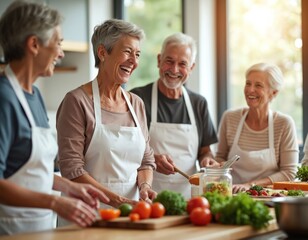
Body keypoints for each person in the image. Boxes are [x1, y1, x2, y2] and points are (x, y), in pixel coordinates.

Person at [0, 0, 109, 236]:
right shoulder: (4, 99)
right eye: (58, 43)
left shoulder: (34, 95)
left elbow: (29, 173)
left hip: (38, 229)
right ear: (34, 44)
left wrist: (70, 188)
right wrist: (55, 202)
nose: (61, 53)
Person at [56, 19, 157, 210]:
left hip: (131, 213)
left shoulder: (136, 104)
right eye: (127, 52)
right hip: (85, 212)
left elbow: (146, 161)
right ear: (102, 52)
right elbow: (72, 169)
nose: (134, 62)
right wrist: (117, 201)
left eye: (137, 54)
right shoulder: (76, 101)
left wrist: (145, 186)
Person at [130, 32, 218, 200]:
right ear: (158, 60)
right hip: (147, 198)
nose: (174, 69)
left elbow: (205, 151)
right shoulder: (137, 99)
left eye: (182, 64)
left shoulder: (198, 103)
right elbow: (126, 150)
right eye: (169, 61)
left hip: (190, 199)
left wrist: (208, 160)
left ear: (191, 68)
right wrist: (152, 159)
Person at [215, 62, 299, 193]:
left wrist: (251, 185)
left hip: (268, 197)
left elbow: (290, 172)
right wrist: (218, 166)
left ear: (274, 93)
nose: (250, 90)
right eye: (248, 83)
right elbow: (220, 157)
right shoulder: (230, 118)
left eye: (258, 85)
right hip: (232, 195)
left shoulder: (284, 124)